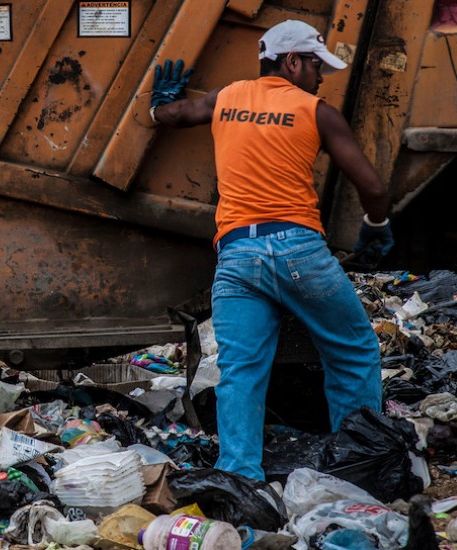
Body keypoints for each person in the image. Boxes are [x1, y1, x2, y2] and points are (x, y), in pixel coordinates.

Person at [148, 19, 395, 480]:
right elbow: (374, 187)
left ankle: (240, 480)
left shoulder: (227, 97)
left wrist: (158, 104)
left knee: (241, 373)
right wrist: (375, 225)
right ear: (292, 61)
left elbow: (176, 116)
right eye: (316, 65)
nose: (320, 75)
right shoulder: (316, 110)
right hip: (298, 250)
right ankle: (356, 466)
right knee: (353, 350)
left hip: (237, 256)